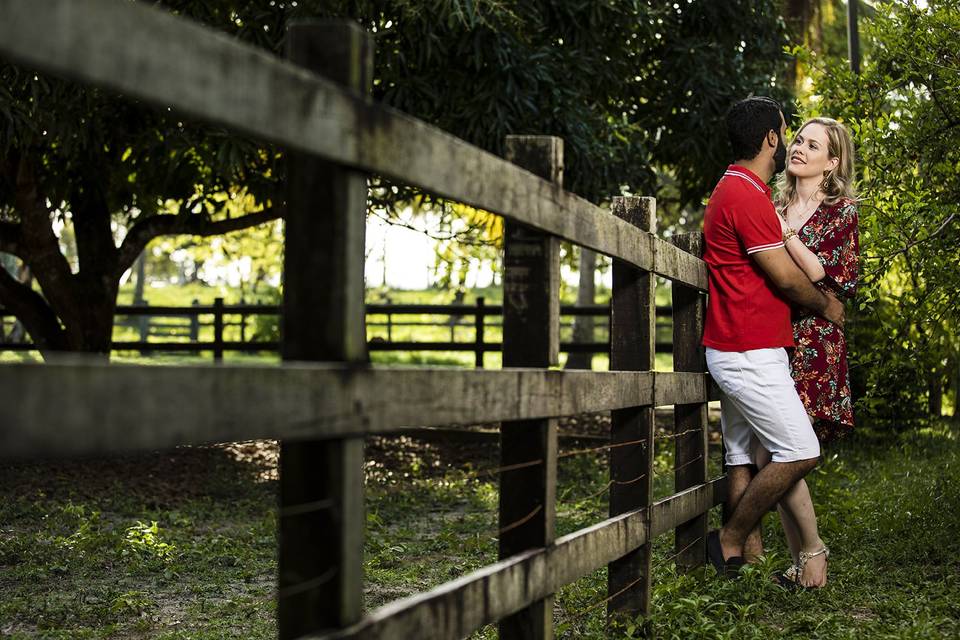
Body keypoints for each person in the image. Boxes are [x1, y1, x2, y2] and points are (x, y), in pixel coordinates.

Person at [701, 97, 846, 579]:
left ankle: (744, 559)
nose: (790, 142)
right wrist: (826, 305)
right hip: (746, 349)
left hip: (749, 344)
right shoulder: (745, 195)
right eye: (788, 133)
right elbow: (785, 278)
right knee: (800, 450)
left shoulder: (744, 189)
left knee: (743, 454)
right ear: (770, 139)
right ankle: (730, 539)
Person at [754, 117, 860, 588]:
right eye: (798, 139)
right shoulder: (773, 201)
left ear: (832, 161)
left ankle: (812, 557)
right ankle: (803, 564)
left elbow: (819, 273)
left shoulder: (840, 211)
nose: (798, 148)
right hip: (773, 333)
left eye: (812, 145)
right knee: (771, 453)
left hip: (815, 339)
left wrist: (784, 231)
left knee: (783, 450)